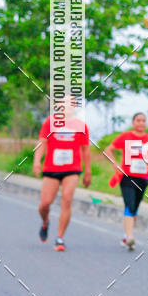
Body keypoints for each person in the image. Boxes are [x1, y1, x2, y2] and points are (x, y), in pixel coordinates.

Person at [33, 96, 91, 251]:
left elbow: (86, 150)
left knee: (67, 199)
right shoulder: (49, 122)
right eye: (65, 102)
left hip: (72, 168)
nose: (69, 105)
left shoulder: (81, 125)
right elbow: (42, 143)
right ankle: (45, 221)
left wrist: (88, 172)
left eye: (72, 103)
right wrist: (37, 161)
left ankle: (60, 238)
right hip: (51, 169)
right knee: (45, 204)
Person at [104, 113, 148, 250]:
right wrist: (115, 165)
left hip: (143, 178)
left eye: (143, 121)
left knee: (135, 208)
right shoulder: (125, 136)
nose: (141, 123)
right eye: (138, 120)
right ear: (133, 122)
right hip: (127, 177)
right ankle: (130, 237)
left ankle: (126, 235)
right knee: (129, 205)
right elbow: (108, 150)